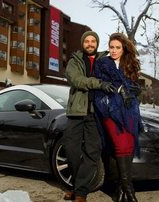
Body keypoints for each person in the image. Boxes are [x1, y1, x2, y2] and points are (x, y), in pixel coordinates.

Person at [63, 31, 116, 202]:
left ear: (97, 43)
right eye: (87, 41)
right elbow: (77, 80)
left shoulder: (104, 61)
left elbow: (114, 79)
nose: (90, 44)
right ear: (82, 43)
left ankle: (80, 192)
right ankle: (74, 185)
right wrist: (98, 83)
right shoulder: (74, 61)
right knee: (72, 152)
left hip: (96, 114)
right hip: (76, 113)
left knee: (92, 153)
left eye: (93, 41)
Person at [93, 33, 142, 202]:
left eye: (117, 48)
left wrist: (136, 90)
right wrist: (116, 90)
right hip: (110, 110)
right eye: (111, 47)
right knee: (121, 146)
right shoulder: (102, 64)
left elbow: (134, 86)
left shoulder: (130, 64)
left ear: (124, 49)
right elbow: (98, 88)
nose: (113, 50)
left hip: (129, 110)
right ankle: (130, 190)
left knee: (127, 147)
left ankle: (122, 190)